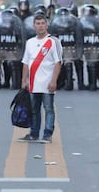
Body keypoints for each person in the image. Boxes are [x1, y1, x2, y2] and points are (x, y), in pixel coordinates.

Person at [19, 13, 62, 143]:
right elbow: (26, 62)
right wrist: (24, 80)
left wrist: (54, 80)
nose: (41, 26)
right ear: (34, 26)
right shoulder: (30, 42)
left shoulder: (53, 42)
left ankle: (47, 134)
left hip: (47, 82)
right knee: (34, 109)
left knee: (48, 109)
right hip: (33, 82)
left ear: (46, 25)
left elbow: (58, 62)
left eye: (43, 23)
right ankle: (34, 133)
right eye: (38, 24)